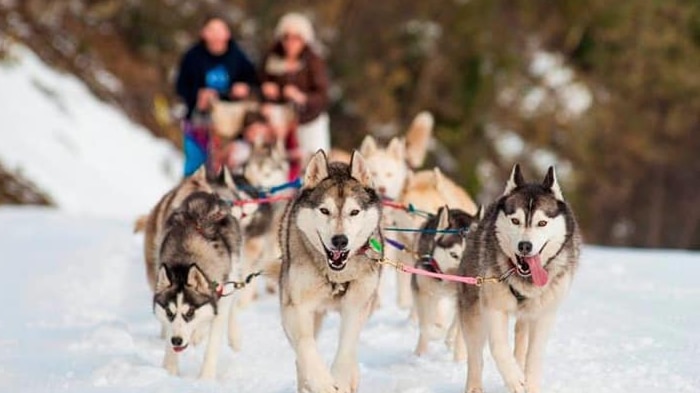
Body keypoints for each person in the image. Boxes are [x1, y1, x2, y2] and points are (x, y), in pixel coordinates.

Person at [175, 16, 259, 176]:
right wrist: (197, 96)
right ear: (204, 34)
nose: (216, 36)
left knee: (226, 166)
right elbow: (181, 87)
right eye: (212, 31)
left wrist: (243, 88)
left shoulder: (238, 56)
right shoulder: (192, 56)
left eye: (220, 31)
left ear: (227, 34)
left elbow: (254, 81)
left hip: (229, 122)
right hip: (199, 120)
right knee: (195, 167)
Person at [260, 13, 330, 162]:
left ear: (304, 39)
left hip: (309, 120)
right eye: (287, 37)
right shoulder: (271, 58)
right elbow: (258, 81)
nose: (291, 42)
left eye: (296, 38)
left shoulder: (313, 62)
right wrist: (267, 89)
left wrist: (301, 97)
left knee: (314, 161)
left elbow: (322, 96)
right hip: (279, 121)